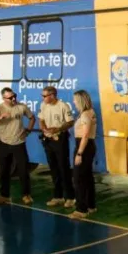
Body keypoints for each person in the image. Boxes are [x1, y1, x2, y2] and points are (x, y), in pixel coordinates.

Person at [0, 87, 35, 206]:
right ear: (4, 98)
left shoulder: (21, 107)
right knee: (4, 171)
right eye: (10, 98)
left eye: (14, 96)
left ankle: (26, 195)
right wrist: (0, 117)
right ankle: (4, 196)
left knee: (23, 170)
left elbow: (32, 118)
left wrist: (28, 130)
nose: (13, 99)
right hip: (3, 143)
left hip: (19, 143)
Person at [38, 86, 75, 209]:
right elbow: (41, 119)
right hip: (48, 140)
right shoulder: (44, 105)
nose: (43, 98)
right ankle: (58, 196)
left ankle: (70, 197)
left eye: (44, 96)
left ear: (52, 95)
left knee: (63, 168)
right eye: (42, 96)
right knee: (53, 169)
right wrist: (44, 129)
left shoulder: (63, 106)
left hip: (60, 139)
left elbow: (70, 122)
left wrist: (57, 129)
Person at [69, 90, 97, 220]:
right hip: (89, 146)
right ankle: (91, 205)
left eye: (75, 100)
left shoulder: (85, 115)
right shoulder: (91, 112)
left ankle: (81, 209)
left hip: (83, 146)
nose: (74, 102)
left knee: (78, 178)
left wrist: (79, 153)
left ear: (80, 101)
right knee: (87, 177)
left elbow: (85, 135)